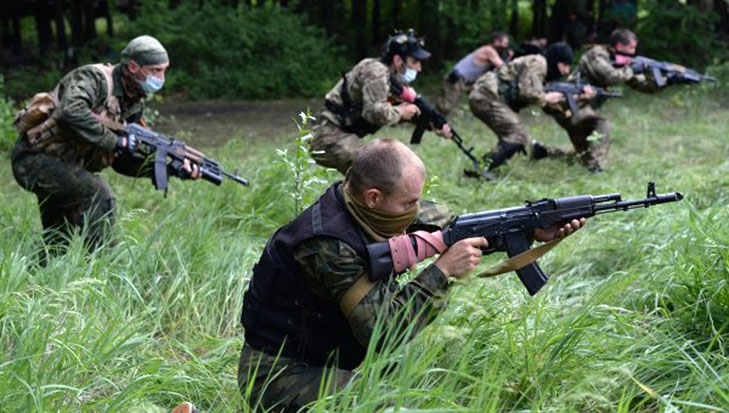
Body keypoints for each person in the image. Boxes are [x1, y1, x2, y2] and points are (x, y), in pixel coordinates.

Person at [237, 139, 586, 411]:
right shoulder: (328, 245)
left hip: (329, 357)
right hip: (276, 374)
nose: (417, 211)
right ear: (374, 196)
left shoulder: (365, 209)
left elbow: (452, 228)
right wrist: (441, 271)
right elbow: (383, 333)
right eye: (409, 203)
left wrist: (528, 233)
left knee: (424, 377)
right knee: (390, 406)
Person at [11, 35, 199, 257]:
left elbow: (122, 160)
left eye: (164, 70)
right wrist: (116, 140)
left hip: (67, 166)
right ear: (132, 67)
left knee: (57, 241)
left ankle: (38, 282)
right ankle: (101, 271)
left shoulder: (133, 103)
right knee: (98, 194)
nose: (161, 78)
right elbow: (71, 111)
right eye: (155, 70)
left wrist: (171, 169)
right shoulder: (95, 79)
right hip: (34, 159)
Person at [309, 29, 451, 175]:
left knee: (376, 176)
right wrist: (402, 112)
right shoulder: (377, 73)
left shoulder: (390, 77)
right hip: (329, 137)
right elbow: (374, 112)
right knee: (379, 173)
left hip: (338, 135)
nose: (419, 68)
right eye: (414, 61)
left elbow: (391, 108)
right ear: (397, 60)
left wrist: (431, 124)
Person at [533, 28, 655, 172]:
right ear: (620, 46)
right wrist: (632, 69)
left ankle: (543, 151)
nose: (634, 52)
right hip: (568, 104)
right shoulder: (597, 54)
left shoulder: (621, 63)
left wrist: (665, 80)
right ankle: (596, 168)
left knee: (584, 156)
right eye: (631, 48)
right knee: (601, 124)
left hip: (580, 107)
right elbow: (610, 76)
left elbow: (641, 85)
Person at [468, 42, 590, 175]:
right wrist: (547, 97)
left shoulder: (544, 74)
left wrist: (580, 98)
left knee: (517, 136)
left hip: (489, 97)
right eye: (564, 65)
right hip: (486, 96)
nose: (566, 71)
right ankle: (481, 169)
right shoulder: (539, 64)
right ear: (556, 61)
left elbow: (552, 108)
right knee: (518, 136)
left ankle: (485, 168)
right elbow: (527, 92)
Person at [435, 32, 512, 115]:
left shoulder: (489, 50)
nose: (506, 45)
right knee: (445, 105)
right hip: (457, 78)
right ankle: (433, 122)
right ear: (496, 41)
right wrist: (509, 58)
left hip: (463, 79)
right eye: (505, 42)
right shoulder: (489, 50)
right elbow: (501, 66)